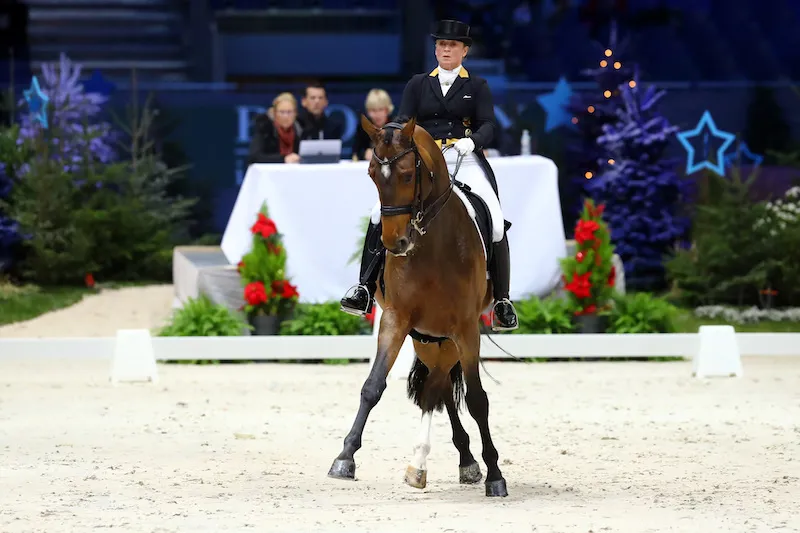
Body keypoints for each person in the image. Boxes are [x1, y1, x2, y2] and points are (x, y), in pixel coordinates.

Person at [339, 19, 519, 331]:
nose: (446, 50)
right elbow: (403, 120)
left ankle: (502, 300)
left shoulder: (476, 86)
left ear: (464, 50)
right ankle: (364, 288)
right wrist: (389, 136)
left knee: (495, 220)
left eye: (452, 45)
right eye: (441, 45)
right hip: (423, 161)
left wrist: (472, 141)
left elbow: (488, 124)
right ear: (435, 49)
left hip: (464, 157)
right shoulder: (418, 84)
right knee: (376, 214)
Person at [247, 92, 303, 164]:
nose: (286, 116)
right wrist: (283, 159)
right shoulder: (265, 130)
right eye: (282, 112)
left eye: (289, 112)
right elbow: (254, 157)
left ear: (295, 113)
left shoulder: (301, 130)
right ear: (274, 113)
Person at [352, 88, 395, 161]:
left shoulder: (396, 126)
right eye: (373, 110)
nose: (377, 114)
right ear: (368, 111)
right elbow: (355, 152)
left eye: (381, 109)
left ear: (387, 110)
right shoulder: (363, 127)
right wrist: (364, 154)